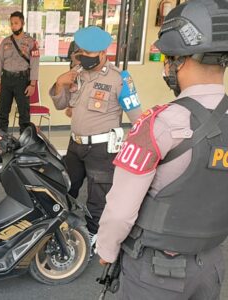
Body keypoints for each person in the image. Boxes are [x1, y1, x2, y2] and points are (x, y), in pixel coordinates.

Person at [97, 0, 228, 298]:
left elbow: (120, 211)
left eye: (167, 58)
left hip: (156, 274)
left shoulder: (159, 124)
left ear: (181, 60)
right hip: (210, 267)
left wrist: (106, 249)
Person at [49, 26, 142, 254]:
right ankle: (63, 228)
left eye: (89, 54)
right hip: (75, 145)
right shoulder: (76, 73)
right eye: (81, 52)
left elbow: (137, 117)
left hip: (102, 149)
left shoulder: (119, 79)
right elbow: (61, 105)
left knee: (97, 197)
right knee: (66, 188)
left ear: (103, 53)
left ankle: (93, 237)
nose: (84, 57)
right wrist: (60, 83)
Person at [0, 11, 40, 133]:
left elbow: (35, 65)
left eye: (16, 23)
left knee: (24, 115)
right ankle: (1, 141)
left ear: (22, 23)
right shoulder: (5, 41)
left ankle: (24, 144)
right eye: (12, 23)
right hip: (6, 80)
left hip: (22, 80)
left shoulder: (31, 42)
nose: (13, 26)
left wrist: (33, 84)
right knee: (3, 112)